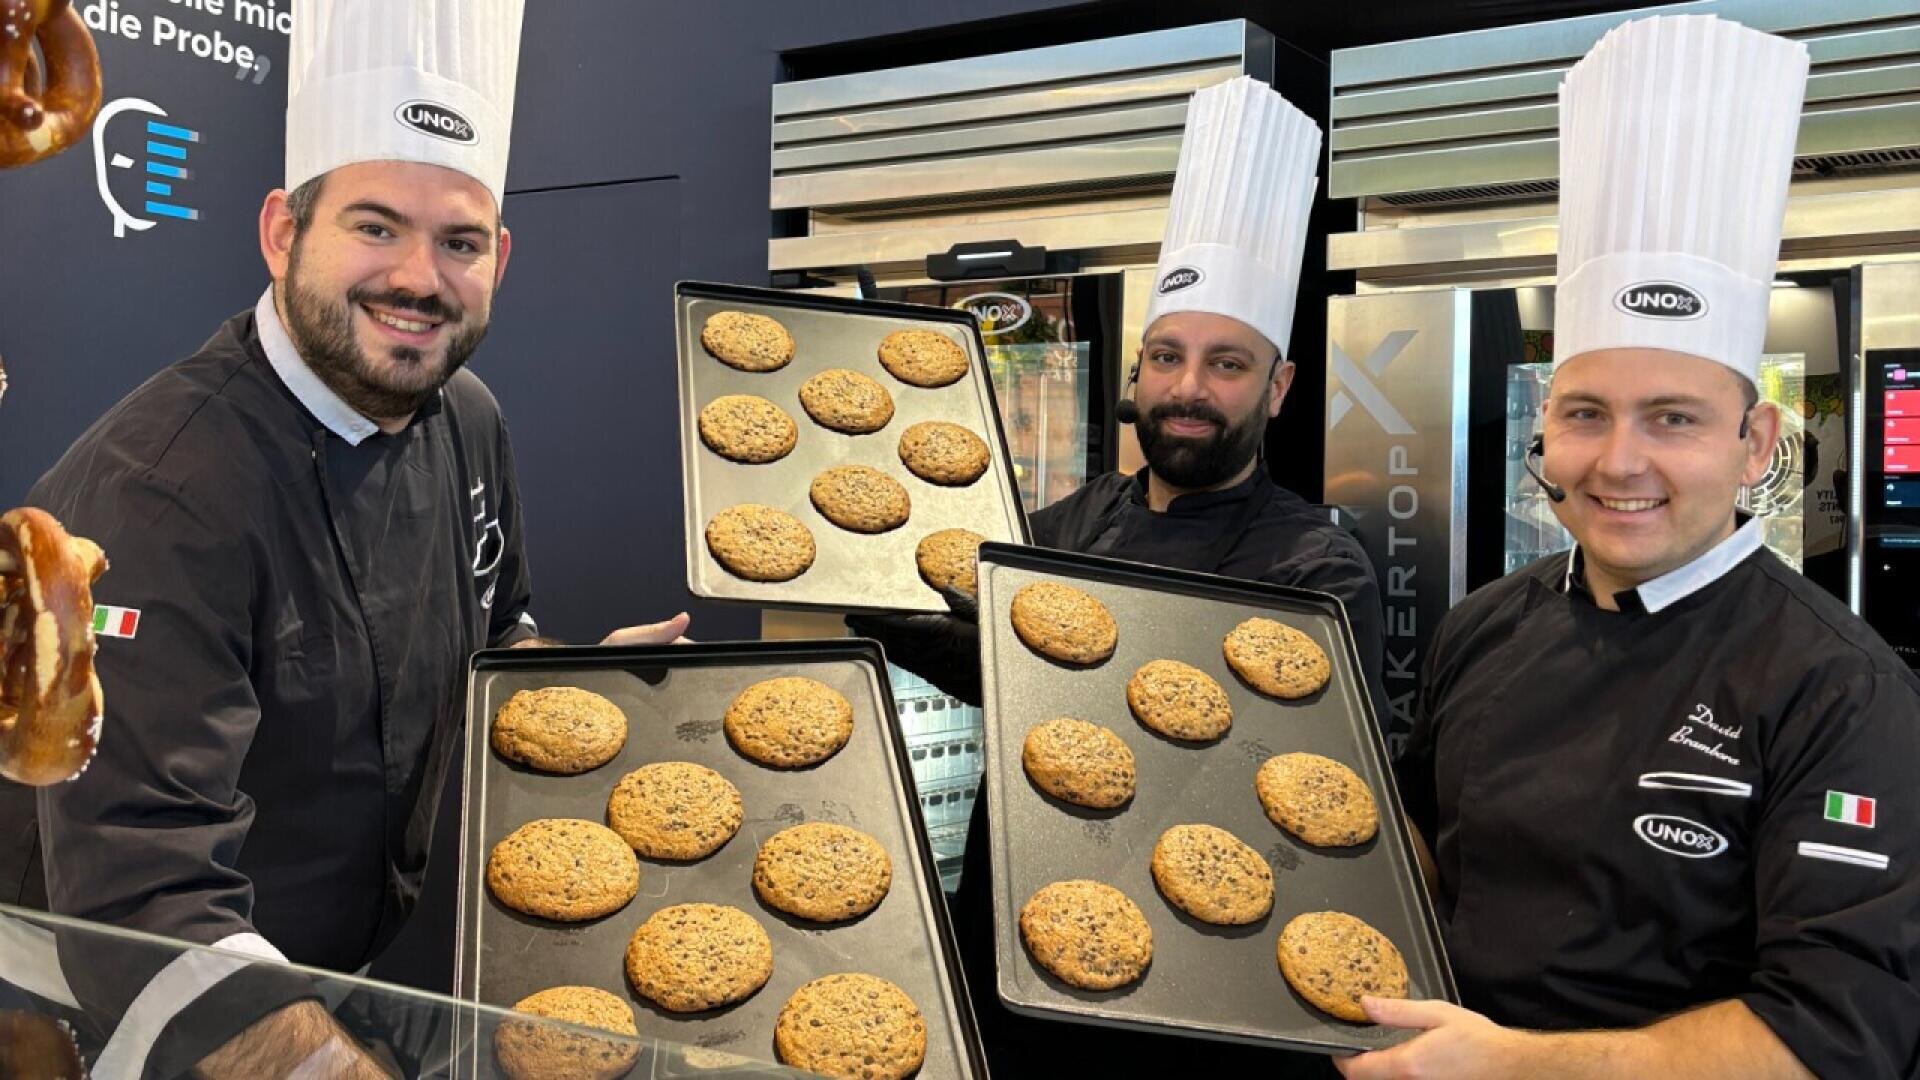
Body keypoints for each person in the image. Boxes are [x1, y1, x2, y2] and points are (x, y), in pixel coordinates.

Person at [1, 1, 683, 1074]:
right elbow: (145, 903)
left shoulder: (469, 420)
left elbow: (496, 631)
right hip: (126, 1017)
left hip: (349, 972)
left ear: (497, 257)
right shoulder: (164, 491)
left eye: (458, 242)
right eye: (375, 226)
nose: (418, 277)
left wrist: (578, 686)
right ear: (283, 232)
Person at [1354, 16, 1920, 1079]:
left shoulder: (1844, 692)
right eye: (1585, 413)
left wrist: (1508, 1064)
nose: (1619, 462)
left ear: (1756, 443)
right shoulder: (1484, 625)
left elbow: (1831, 1040)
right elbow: (1421, 855)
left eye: (1673, 418)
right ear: (1544, 424)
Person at [856, 76, 1384, 1076]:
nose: (1188, 389)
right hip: (1007, 952)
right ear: (1136, 372)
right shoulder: (1070, 520)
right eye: (1167, 357)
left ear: (1277, 389)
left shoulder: (1317, 570)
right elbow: (980, 644)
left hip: (1191, 993)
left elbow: (1276, 781)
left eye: (1227, 364)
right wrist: (869, 589)